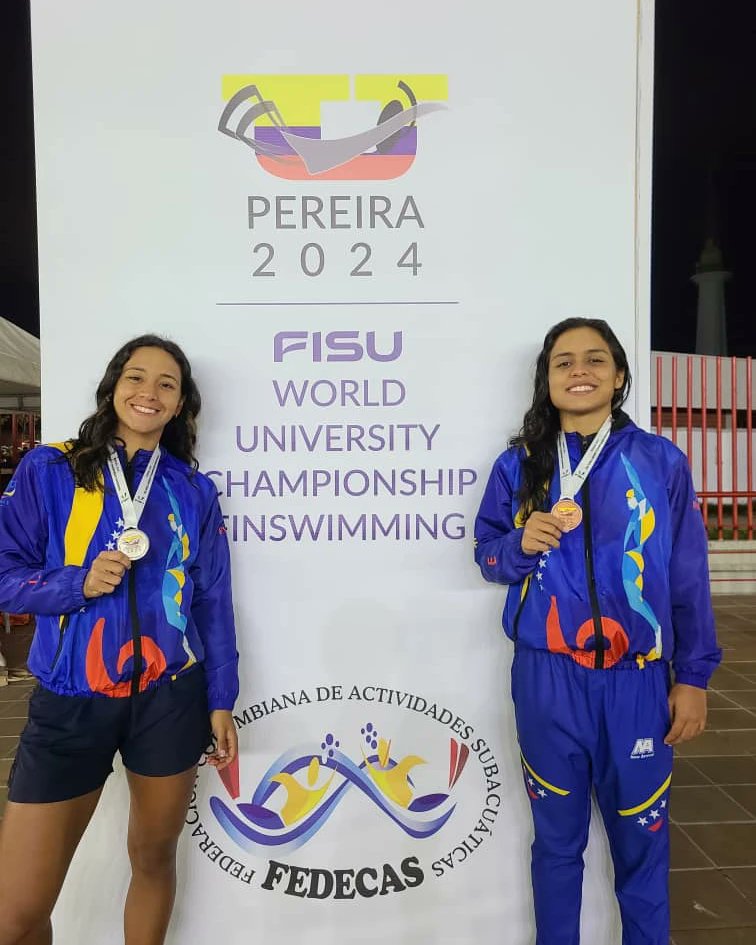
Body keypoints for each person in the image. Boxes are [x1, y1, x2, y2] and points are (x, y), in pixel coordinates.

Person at [474, 317, 720, 945]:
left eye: (594, 360)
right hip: (546, 679)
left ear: (617, 376)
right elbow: (488, 557)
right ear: (546, 380)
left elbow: (687, 576)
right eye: (563, 362)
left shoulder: (659, 461)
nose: (579, 371)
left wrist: (692, 677)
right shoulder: (519, 465)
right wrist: (518, 544)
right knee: (555, 844)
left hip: (636, 681)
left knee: (643, 846)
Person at [0, 335, 239, 945]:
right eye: (137, 377)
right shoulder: (50, 468)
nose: (149, 393)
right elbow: (5, 577)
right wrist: (74, 585)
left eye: (167, 384)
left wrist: (221, 699)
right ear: (113, 388)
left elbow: (211, 601)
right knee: (16, 913)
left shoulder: (192, 489)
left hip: (169, 697)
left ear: (182, 405)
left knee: (153, 859)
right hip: (69, 700)